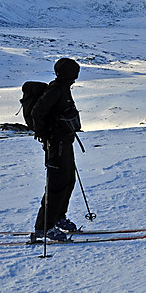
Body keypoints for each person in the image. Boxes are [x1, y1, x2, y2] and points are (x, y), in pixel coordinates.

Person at [30, 57, 83, 242]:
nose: (76, 77)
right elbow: (37, 112)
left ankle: (58, 217)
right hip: (56, 145)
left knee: (68, 181)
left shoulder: (64, 89)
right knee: (56, 185)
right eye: (74, 73)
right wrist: (44, 134)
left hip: (65, 142)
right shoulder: (55, 90)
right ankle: (43, 227)